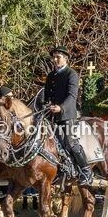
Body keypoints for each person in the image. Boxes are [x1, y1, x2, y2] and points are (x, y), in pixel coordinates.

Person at [43, 46, 92, 186]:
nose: (55, 59)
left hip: (67, 114)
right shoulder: (51, 75)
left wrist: (61, 108)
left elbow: (72, 96)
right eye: (54, 57)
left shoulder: (72, 74)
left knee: (70, 142)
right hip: (51, 115)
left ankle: (86, 171)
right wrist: (46, 105)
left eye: (58, 57)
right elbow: (47, 95)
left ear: (66, 58)